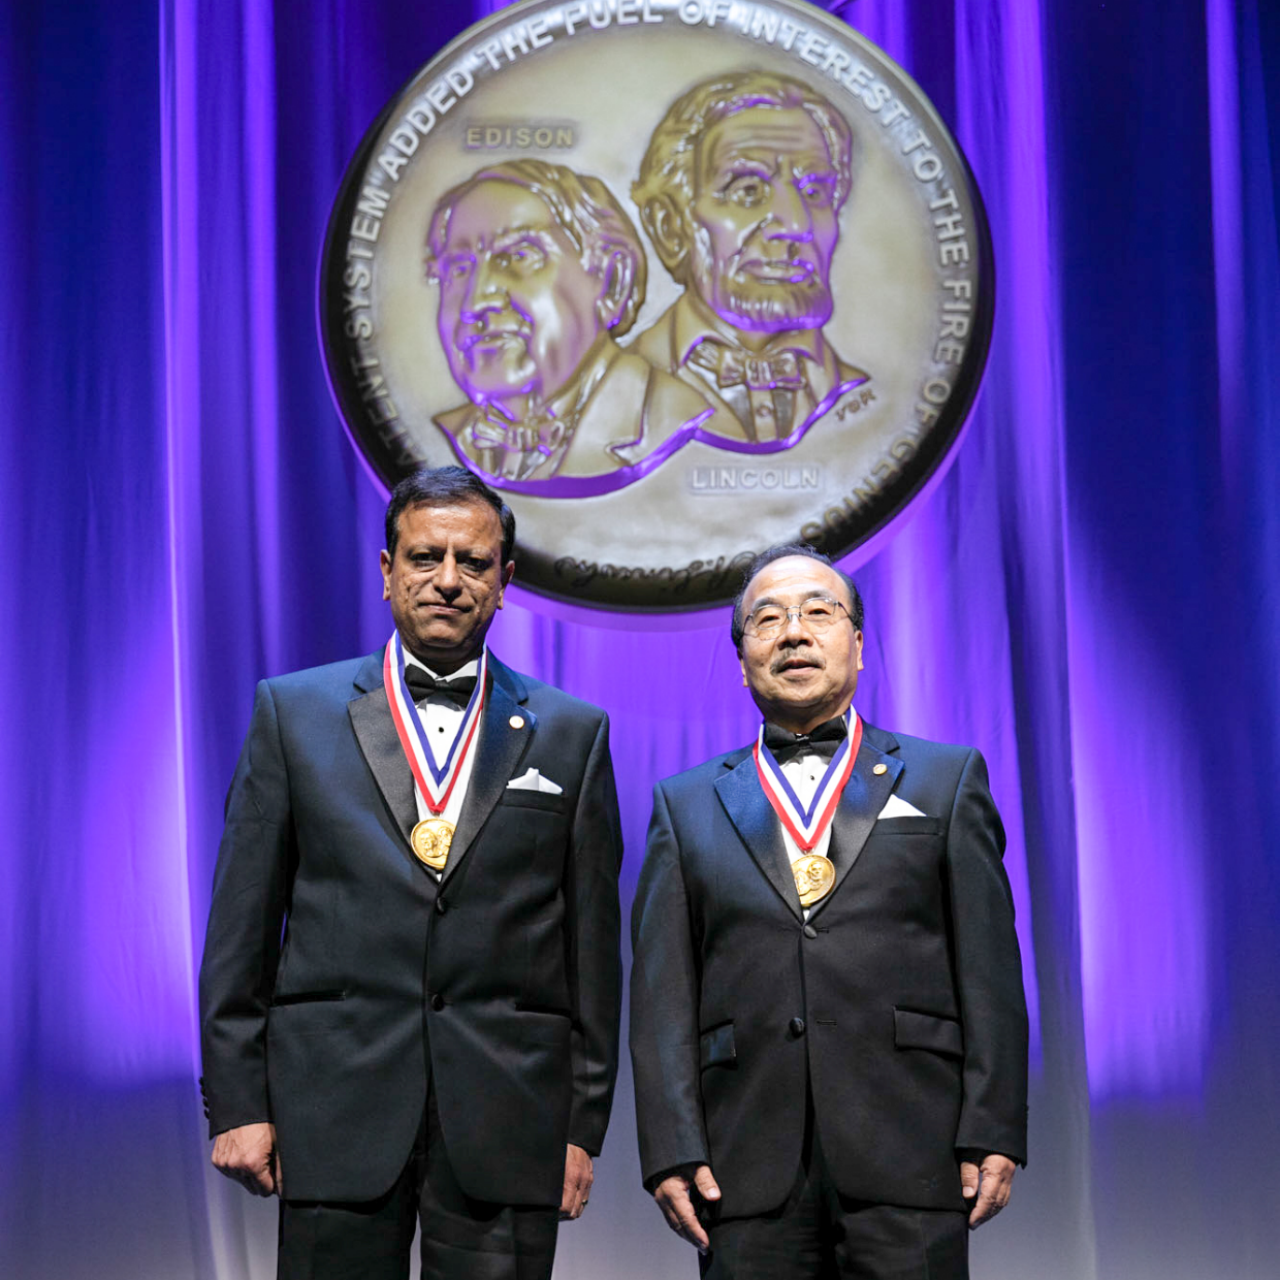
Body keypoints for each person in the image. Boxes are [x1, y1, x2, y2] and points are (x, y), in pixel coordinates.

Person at [198, 466, 624, 1280]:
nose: (448, 580)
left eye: (474, 562)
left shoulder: (574, 733)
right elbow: (240, 929)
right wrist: (240, 1103)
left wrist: (582, 1126)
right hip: (332, 1106)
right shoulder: (293, 714)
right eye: (426, 557)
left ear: (506, 583)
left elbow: (591, 954)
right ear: (387, 571)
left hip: (511, 1114)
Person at [629, 545, 1027, 1279]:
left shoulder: (946, 779)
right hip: (742, 1159)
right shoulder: (683, 805)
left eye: (819, 612)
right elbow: (661, 997)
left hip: (915, 1146)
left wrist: (994, 1125)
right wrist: (670, 1146)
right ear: (742, 656)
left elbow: (991, 969)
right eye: (766, 619)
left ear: (860, 643)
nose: (793, 632)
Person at [427, 159, 710, 487]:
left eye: (518, 257)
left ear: (611, 281)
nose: (475, 302)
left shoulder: (671, 415)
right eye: (459, 269)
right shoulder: (444, 434)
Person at [630, 72, 872, 447]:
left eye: (814, 192)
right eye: (748, 190)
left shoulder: (862, 398)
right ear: (670, 226)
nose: (795, 225)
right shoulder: (623, 392)